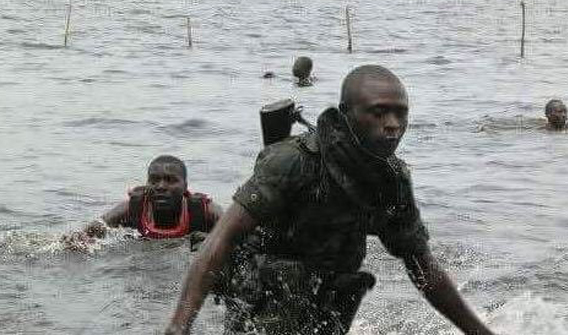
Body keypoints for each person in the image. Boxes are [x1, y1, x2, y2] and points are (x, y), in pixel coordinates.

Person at [164, 65, 497, 335]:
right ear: (347, 114)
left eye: (400, 114)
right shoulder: (295, 161)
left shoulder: (391, 181)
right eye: (379, 113)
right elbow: (220, 241)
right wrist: (179, 327)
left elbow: (424, 269)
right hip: (263, 286)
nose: (393, 125)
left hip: (330, 289)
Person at [62, 155, 222, 249]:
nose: (161, 186)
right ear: (147, 183)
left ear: (185, 186)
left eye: (171, 180)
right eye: (154, 180)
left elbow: (241, 235)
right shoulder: (132, 208)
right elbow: (86, 235)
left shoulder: (204, 210)